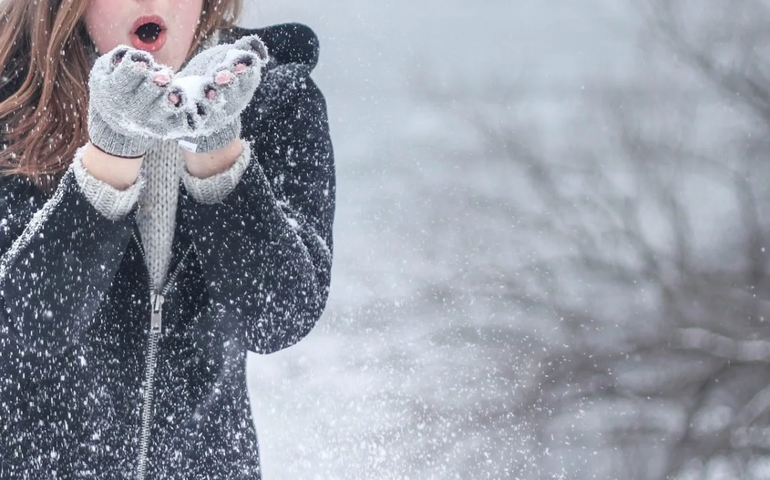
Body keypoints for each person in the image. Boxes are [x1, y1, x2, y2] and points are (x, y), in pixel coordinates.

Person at [0, 0, 335, 477]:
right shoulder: (12, 104)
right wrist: (110, 153)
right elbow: (22, 326)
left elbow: (279, 316)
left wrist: (217, 148)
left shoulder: (276, 98)